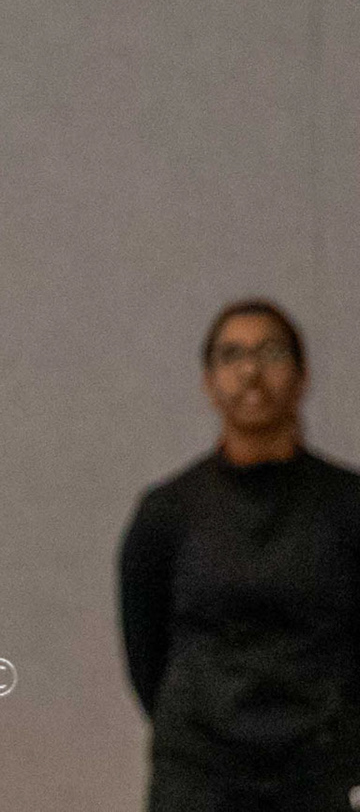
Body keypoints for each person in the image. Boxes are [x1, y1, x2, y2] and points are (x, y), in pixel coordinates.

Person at [119, 299, 360, 810]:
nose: (251, 372)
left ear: (303, 376)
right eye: (231, 355)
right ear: (209, 383)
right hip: (199, 775)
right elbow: (145, 651)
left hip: (319, 772)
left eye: (271, 353)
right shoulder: (168, 512)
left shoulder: (348, 506)